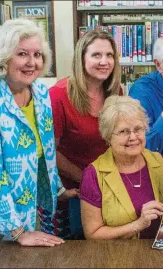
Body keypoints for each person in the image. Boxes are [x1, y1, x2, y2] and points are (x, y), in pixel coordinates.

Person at [0, 19, 69, 268]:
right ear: (4, 56)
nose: (32, 62)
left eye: (37, 54)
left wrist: (58, 190)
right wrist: (18, 231)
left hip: (24, 210)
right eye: (22, 54)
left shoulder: (40, 93)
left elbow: (44, 153)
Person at [49, 30, 122, 239]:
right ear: (81, 58)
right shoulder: (58, 95)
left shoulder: (116, 92)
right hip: (69, 191)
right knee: (71, 252)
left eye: (109, 55)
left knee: (102, 249)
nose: (104, 61)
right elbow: (50, 151)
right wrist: (86, 179)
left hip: (104, 187)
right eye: (96, 55)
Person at [80, 96, 163, 239]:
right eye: (123, 131)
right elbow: (92, 234)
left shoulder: (160, 162)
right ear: (108, 137)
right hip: (117, 258)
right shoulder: (94, 174)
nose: (133, 137)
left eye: (138, 129)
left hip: (160, 256)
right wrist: (138, 224)